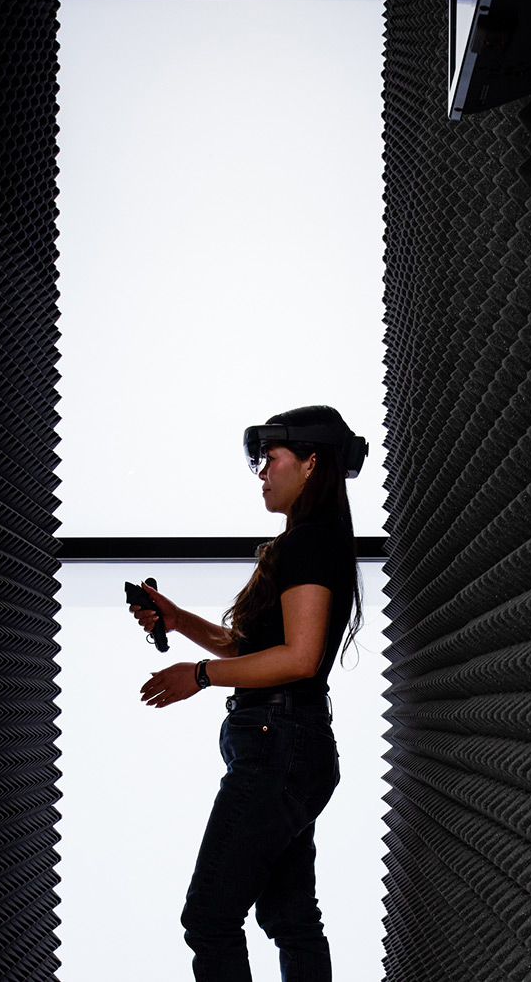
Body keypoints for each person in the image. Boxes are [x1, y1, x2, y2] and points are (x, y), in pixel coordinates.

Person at [129, 404, 367, 982]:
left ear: (311, 464)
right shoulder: (303, 545)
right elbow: (250, 647)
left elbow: (300, 658)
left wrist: (201, 675)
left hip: (279, 746)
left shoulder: (310, 544)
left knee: (208, 917)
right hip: (285, 746)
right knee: (290, 917)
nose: (262, 472)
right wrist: (178, 618)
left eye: (272, 459)